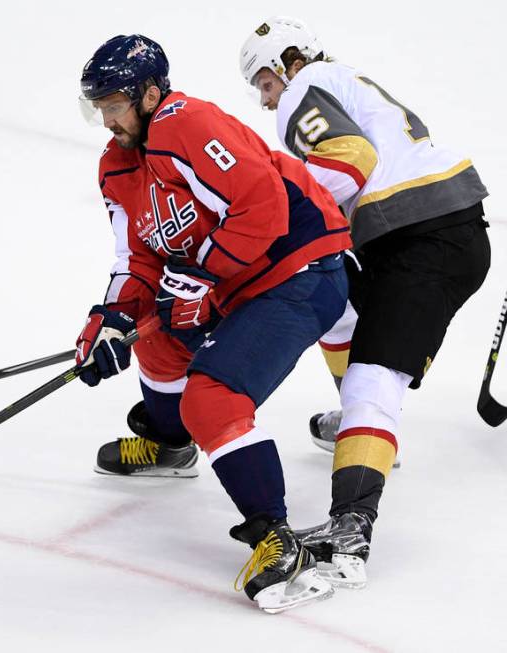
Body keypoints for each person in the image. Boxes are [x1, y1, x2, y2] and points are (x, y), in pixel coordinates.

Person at [73, 34, 352, 612]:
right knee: (151, 340)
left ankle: (277, 539)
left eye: (114, 106)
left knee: (213, 398)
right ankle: (173, 448)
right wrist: (111, 319)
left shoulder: (186, 123)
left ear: (150, 96)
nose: (107, 121)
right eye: (98, 108)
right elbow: (138, 259)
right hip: (234, 285)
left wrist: (200, 275)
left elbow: (264, 207)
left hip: (301, 269)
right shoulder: (117, 166)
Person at [239, 16, 490, 588]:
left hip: (422, 238)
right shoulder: (345, 79)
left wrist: (268, 209)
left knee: (373, 380)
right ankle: (356, 424)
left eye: (264, 83)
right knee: (335, 301)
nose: (265, 100)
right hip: (423, 229)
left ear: (288, 62)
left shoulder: (304, 87)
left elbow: (350, 160)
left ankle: (351, 524)